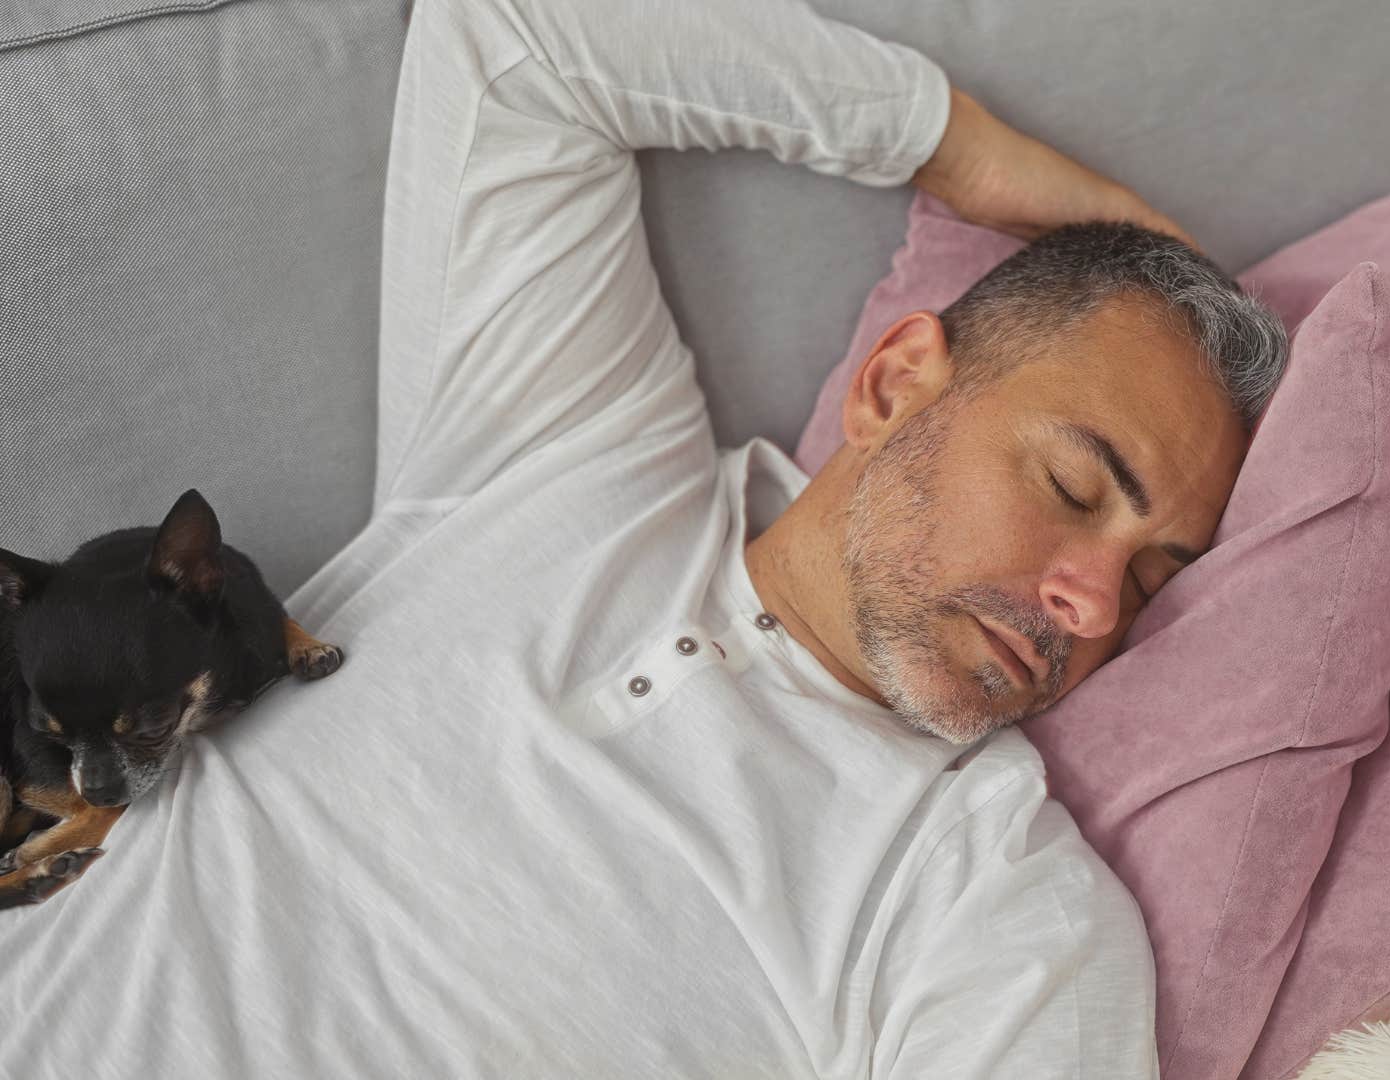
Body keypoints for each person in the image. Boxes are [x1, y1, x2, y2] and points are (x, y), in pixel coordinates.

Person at [0, 0, 1286, 1075]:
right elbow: (518, 33)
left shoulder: (997, 907)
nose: (1096, 607)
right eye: (1073, 487)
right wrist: (957, 151)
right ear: (896, 384)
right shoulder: (573, 449)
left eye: (1154, 575)